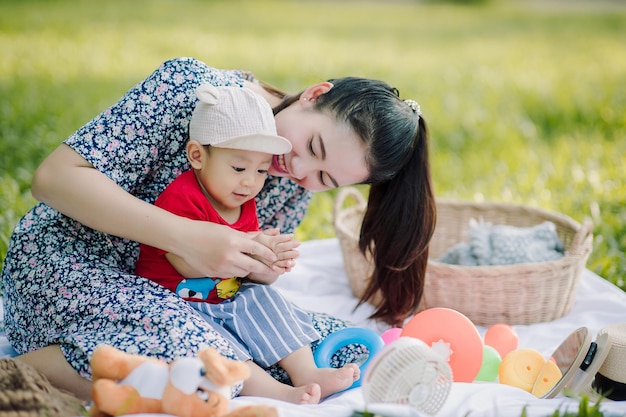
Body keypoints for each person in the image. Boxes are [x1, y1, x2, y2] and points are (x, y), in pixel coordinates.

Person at [0, 57, 436, 402]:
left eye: (324, 179)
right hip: (71, 266)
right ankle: (29, 367)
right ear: (314, 94)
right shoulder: (191, 91)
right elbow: (53, 179)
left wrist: (256, 267)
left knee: (311, 347)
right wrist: (185, 237)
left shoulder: (290, 182)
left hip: (180, 296)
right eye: (313, 147)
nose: (298, 169)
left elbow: (227, 285)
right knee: (206, 365)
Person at [135, 83, 359, 404]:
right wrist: (247, 246)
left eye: (261, 171)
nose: (250, 182)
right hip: (174, 298)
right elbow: (186, 263)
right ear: (197, 156)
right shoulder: (182, 196)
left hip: (224, 294)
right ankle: (278, 392)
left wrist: (267, 262)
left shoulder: (243, 200)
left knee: (266, 300)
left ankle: (306, 371)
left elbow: (248, 275)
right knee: (213, 343)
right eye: (239, 168)